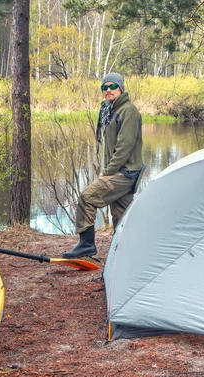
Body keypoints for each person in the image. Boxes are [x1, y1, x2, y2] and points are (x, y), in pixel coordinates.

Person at [62, 72, 143, 259]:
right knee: (122, 216)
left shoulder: (128, 111)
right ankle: (127, 252)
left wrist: (107, 172)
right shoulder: (111, 110)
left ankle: (86, 245)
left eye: (112, 86)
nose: (108, 90)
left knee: (87, 197)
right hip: (121, 171)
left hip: (124, 173)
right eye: (104, 87)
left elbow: (124, 147)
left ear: (120, 87)